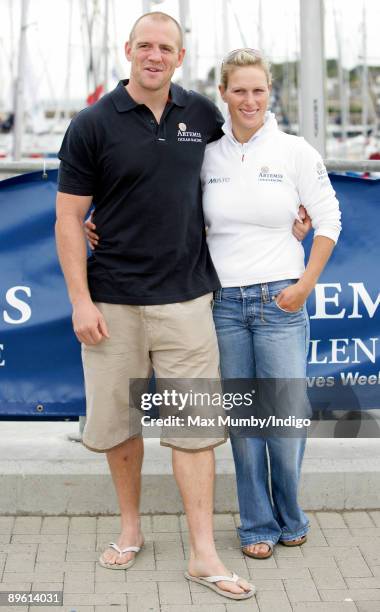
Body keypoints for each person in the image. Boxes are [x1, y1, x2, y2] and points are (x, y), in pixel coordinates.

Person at [55, 11, 256, 600]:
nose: (154, 55)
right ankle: (130, 530)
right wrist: (79, 301)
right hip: (111, 303)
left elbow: (239, 170)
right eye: (145, 45)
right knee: (120, 429)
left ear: (180, 57)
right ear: (128, 50)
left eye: (165, 47)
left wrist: (291, 211)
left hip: (188, 300)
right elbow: (69, 217)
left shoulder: (202, 114)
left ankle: (202, 553)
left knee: (195, 429)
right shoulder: (92, 123)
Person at [201, 48, 341, 559]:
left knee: (282, 421)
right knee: (244, 424)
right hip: (225, 304)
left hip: (281, 301)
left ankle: (291, 514)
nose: (249, 100)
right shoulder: (207, 155)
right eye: (239, 90)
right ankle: (256, 524)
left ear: (270, 93)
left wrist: (303, 285)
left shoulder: (295, 151)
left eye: (258, 89)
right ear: (224, 93)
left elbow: (328, 221)